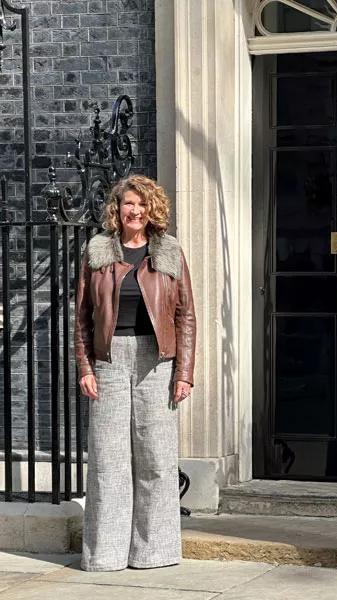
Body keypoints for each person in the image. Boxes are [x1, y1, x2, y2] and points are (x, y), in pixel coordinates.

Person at [74, 174, 196, 571]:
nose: (135, 211)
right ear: (118, 208)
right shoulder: (97, 253)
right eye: (129, 203)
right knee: (109, 460)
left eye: (142, 204)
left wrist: (184, 372)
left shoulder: (169, 252)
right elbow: (81, 320)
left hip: (157, 360)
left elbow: (186, 316)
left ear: (152, 209)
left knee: (156, 459)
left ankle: (153, 551)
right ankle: (105, 553)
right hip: (108, 361)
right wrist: (85, 368)